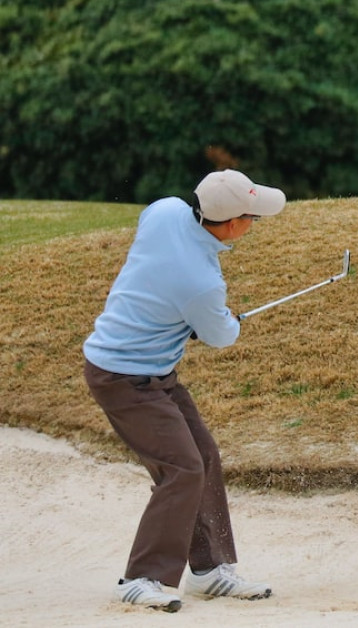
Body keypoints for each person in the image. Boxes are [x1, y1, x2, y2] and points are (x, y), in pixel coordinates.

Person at [83, 169, 283, 612]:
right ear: (232, 225)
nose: (254, 223)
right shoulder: (202, 283)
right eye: (253, 217)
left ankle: (210, 570)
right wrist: (217, 318)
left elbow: (159, 265)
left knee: (204, 456)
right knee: (182, 467)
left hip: (154, 372)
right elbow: (221, 336)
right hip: (122, 378)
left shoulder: (166, 210)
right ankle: (141, 577)